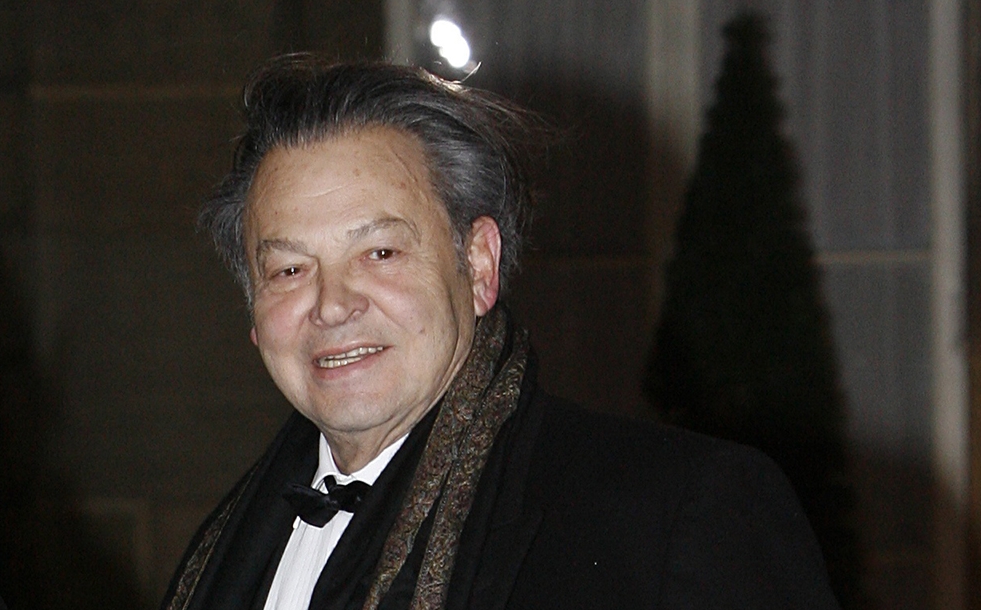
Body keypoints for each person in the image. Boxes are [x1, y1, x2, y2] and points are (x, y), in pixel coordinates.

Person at [162, 54, 841, 610]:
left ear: (478, 264)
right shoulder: (229, 550)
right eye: (287, 270)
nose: (331, 305)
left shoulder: (678, 514)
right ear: (254, 316)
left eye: (381, 254)